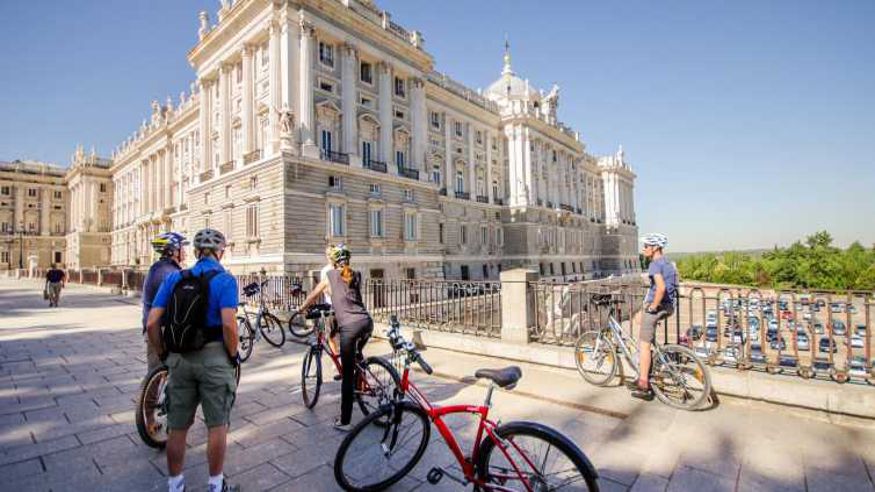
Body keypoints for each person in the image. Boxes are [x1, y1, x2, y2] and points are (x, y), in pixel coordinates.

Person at [145, 228, 240, 492]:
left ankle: (175, 485)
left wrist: (164, 353)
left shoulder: (175, 277)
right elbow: (230, 327)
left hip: (179, 359)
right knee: (217, 424)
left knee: (177, 426)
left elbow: (153, 322)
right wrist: (232, 355)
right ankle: (215, 485)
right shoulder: (225, 279)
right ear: (220, 251)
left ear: (197, 252)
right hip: (213, 358)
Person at [296, 244, 373, 431]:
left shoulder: (330, 276)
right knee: (357, 356)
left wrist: (301, 308)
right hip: (366, 322)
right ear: (348, 261)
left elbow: (315, 295)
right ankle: (360, 384)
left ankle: (345, 421)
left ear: (334, 261)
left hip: (349, 325)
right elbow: (348, 292)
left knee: (346, 375)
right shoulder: (355, 275)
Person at [632, 232, 678, 401]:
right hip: (668, 306)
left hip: (657, 306)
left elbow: (660, 288)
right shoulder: (668, 263)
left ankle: (643, 383)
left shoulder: (655, 265)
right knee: (639, 321)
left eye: (646, 246)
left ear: (655, 248)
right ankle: (648, 367)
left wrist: (651, 308)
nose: (643, 249)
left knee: (643, 346)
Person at [142, 232, 188, 374]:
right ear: (173, 251)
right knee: (157, 374)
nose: (184, 252)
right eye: (182, 248)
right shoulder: (169, 273)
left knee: (156, 374)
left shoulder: (157, 268)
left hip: (154, 327)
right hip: (161, 329)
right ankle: (147, 397)